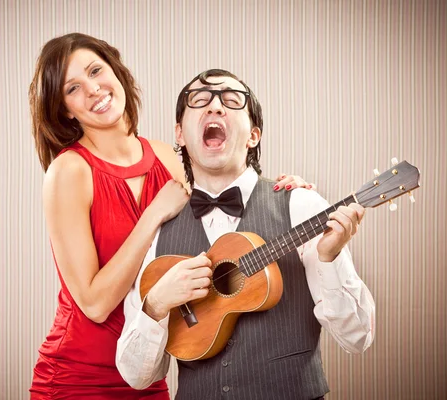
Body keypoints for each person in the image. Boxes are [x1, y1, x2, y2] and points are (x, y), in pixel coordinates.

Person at [28, 32, 313, 399]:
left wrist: (284, 191)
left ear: (116, 71)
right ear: (65, 108)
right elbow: (95, 305)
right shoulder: (68, 171)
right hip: (79, 375)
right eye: (74, 88)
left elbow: (224, 207)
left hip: (150, 367)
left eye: (97, 71)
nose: (94, 89)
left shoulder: (166, 156)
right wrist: (153, 216)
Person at [116, 69, 376, 400]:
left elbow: (356, 338)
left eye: (231, 99)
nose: (215, 107)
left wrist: (331, 257)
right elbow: (137, 377)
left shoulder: (302, 205)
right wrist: (155, 304)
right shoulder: (159, 233)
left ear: (253, 135)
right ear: (180, 134)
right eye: (199, 99)